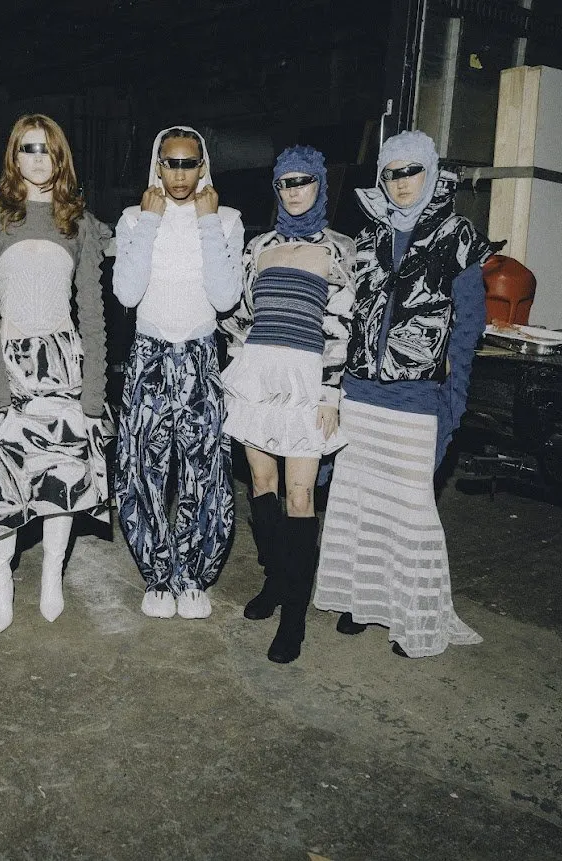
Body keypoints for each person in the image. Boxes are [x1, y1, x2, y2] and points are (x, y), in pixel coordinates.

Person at [313, 129, 496, 658]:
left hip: (417, 399)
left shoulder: (458, 234)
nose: (402, 183)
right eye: (391, 173)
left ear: (432, 173)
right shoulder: (369, 239)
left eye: (412, 170)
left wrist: (452, 408)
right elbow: (346, 320)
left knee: (410, 512)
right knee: (359, 506)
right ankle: (360, 602)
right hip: (361, 395)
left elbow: (467, 333)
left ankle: (412, 618)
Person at [0, 114, 112, 632]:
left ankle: (52, 575)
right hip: (9, 367)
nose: (38, 159)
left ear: (60, 158)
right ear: (14, 157)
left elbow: (92, 314)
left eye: (48, 150)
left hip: (64, 369)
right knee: (3, 482)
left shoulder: (81, 224)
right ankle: (1, 579)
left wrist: (93, 396)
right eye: (29, 149)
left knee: (62, 479)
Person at [220, 145, 355, 663]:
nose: (295, 190)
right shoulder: (259, 247)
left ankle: (294, 618)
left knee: (300, 497)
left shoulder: (341, 249)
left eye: (304, 181)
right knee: (261, 484)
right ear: (276, 190)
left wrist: (330, 393)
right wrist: (237, 370)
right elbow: (239, 316)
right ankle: (275, 581)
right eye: (285, 183)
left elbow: (342, 327)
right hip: (258, 376)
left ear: (320, 185)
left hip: (307, 380)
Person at [112, 126, 244, 620]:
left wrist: (208, 223)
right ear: (158, 165)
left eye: (190, 163)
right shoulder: (134, 218)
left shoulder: (226, 220)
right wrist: (148, 222)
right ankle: (157, 576)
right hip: (148, 356)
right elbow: (126, 292)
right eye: (171, 163)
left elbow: (226, 297)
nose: (181, 174)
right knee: (142, 468)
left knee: (202, 471)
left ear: (203, 166)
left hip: (200, 355)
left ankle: (191, 575)